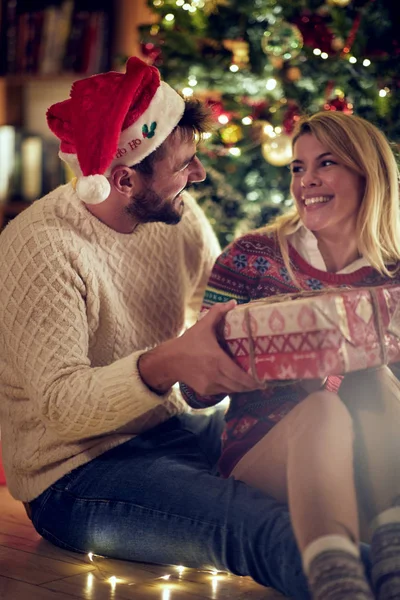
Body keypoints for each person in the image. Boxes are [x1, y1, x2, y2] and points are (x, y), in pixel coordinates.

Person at [1, 57, 366, 600]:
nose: (198, 175)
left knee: (349, 473)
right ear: (123, 178)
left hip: (173, 430)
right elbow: (62, 406)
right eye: (184, 164)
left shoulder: (178, 216)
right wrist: (165, 362)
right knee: (263, 527)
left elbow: (213, 308)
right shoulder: (41, 248)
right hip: (76, 476)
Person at [181, 111, 400, 600]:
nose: (307, 181)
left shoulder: (393, 275)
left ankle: (391, 551)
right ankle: (337, 585)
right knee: (323, 405)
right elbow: (194, 391)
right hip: (266, 445)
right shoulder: (251, 257)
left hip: (375, 453)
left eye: (326, 164)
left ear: (369, 174)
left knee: (368, 373)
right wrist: (266, 354)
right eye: (298, 168)